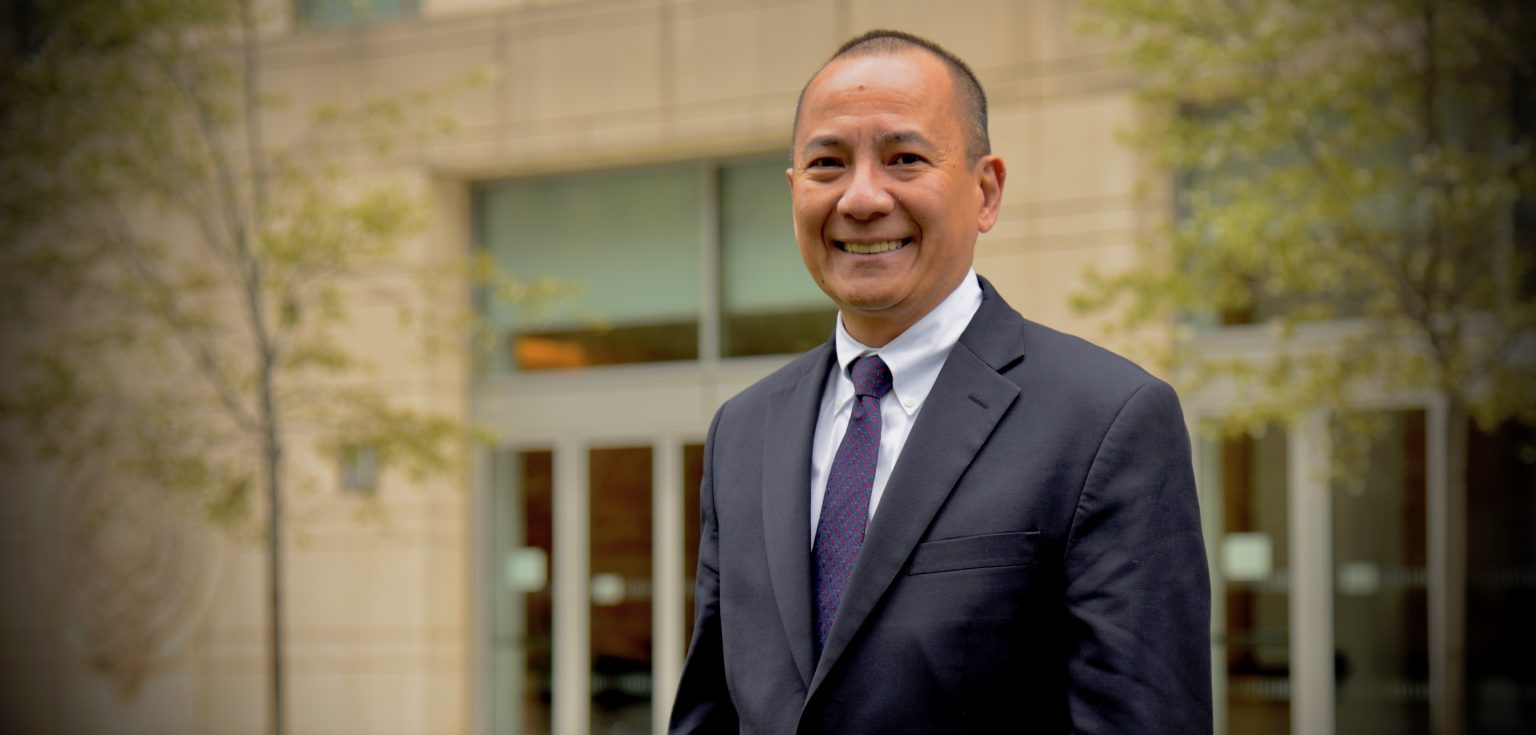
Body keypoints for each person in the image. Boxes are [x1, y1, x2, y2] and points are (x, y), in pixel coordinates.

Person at [670, 29, 1211, 734]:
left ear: (985, 191)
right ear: (795, 189)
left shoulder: (1106, 421)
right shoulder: (743, 430)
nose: (861, 198)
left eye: (904, 159)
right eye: (827, 163)